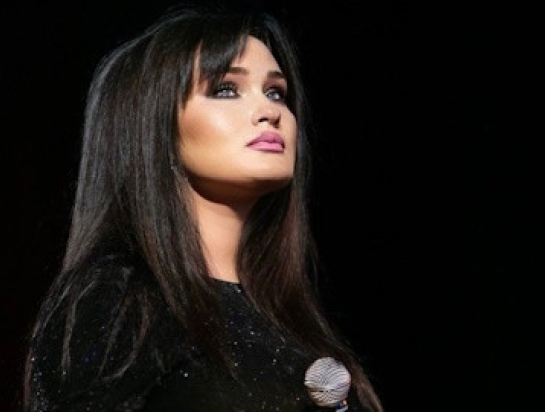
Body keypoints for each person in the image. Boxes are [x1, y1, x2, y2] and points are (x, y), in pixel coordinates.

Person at [23, 4, 384, 411]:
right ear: (153, 124)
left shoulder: (293, 319)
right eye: (226, 89)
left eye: (276, 92)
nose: (270, 112)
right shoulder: (119, 300)